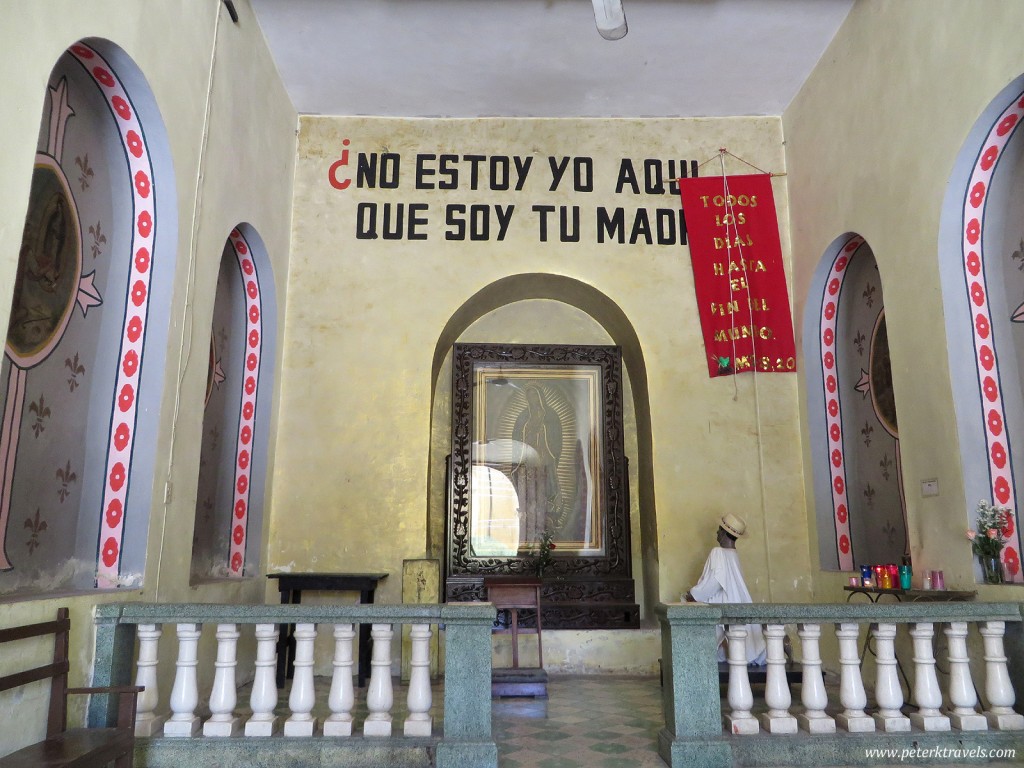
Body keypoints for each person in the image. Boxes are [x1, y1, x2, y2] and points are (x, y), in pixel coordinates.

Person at [684, 513, 767, 665]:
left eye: (718, 530)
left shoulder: (718, 552)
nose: (716, 533)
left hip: (723, 605)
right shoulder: (734, 554)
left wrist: (694, 595)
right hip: (737, 603)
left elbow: (714, 582)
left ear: (723, 533)